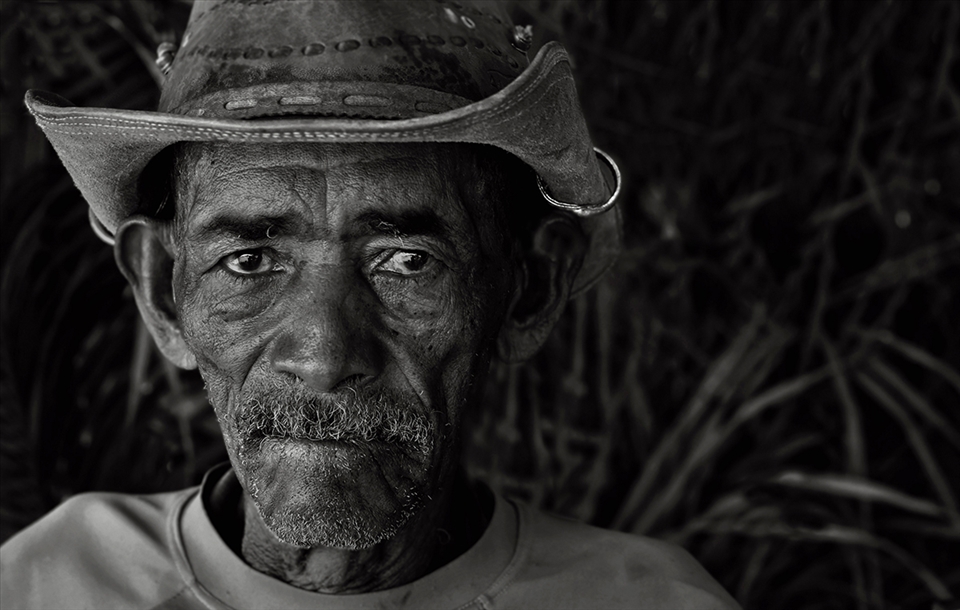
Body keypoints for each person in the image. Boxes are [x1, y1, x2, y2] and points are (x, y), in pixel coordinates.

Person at [1, 1, 739, 608]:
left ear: (528, 289)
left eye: (407, 262)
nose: (323, 357)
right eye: (250, 261)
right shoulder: (42, 587)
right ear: (165, 290)